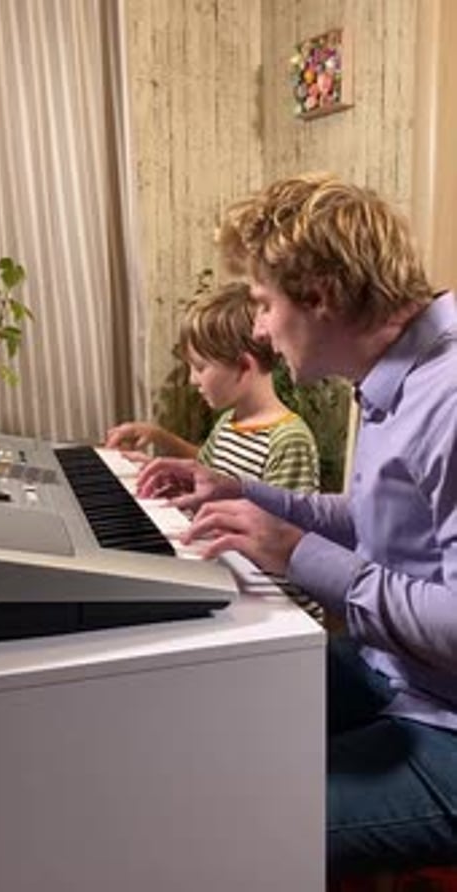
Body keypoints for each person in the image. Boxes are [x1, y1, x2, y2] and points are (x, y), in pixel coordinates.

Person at [136, 173, 457, 879]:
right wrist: (245, 492)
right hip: (394, 672)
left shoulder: (450, 396)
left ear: (320, 295)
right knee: (200, 714)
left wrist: (299, 554)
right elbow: (382, 521)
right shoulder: (391, 376)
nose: (257, 329)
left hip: (444, 726)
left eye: (262, 304)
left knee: (221, 831)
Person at [106, 282, 319, 492]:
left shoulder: (289, 442)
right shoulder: (229, 422)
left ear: (244, 367)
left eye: (200, 367)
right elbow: (205, 473)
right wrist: (158, 457)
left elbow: (282, 524)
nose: (192, 380)